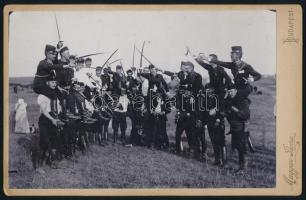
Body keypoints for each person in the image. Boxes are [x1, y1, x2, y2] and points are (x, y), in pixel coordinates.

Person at [37, 72, 64, 170]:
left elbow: (58, 107)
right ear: (47, 83)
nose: (54, 84)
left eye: (55, 82)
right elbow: (44, 110)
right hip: (46, 120)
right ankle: (40, 166)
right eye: (52, 82)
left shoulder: (55, 94)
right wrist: (52, 119)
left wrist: (58, 117)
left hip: (54, 118)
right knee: (45, 142)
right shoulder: (43, 94)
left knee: (55, 141)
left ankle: (51, 161)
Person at [223, 86, 251, 172]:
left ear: (236, 91)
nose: (230, 93)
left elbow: (245, 115)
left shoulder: (243, 101)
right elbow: (228, 111)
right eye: (229, 91)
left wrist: (234, 110)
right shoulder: (231, 101)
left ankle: (244, 169)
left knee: (242, 148)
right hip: (234, 128)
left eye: (231, 91)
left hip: (242, 128)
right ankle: (236, 166)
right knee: (235, 147)